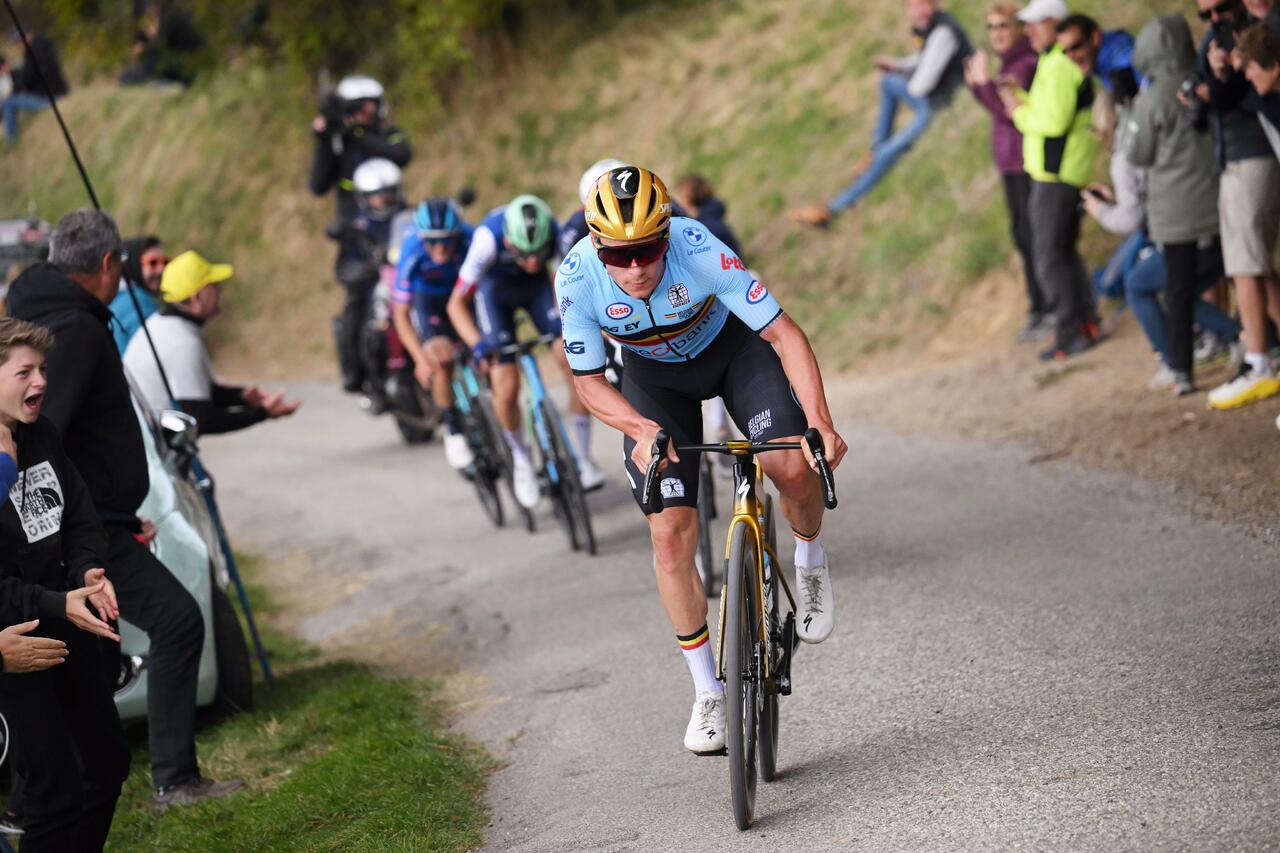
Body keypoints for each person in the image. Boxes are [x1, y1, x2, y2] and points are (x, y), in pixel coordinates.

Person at [556, 165, 848, 753]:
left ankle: (810, 561)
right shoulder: (577, 277)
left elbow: (785, 335)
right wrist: (639, 429)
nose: (635, 267)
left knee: (791, 465)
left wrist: (820, 420)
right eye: (620, 254)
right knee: (669, 536)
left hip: (732, 354)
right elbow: (588, 383)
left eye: (647, 249)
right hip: (653, 385)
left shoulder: (696, 246)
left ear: (666, 234)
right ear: (595, 245)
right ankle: (708, 692)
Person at [5, 210, 244, 811]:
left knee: (93, 661)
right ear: (109, 265)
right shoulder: (79, 332)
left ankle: (96, 783)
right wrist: (87, 522)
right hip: (79, 535)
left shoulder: (45, 315)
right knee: (177, 622)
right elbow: (43, 432)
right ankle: (174, 779)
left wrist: (106, 510)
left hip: (90, 523)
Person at [0, 316, 131, 853]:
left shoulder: (43, 434)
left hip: (68, 616)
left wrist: (87, 570)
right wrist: (56, 601)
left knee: (108, 764)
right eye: (24, 371)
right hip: (16, 641)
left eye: (44, 370)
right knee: (52, 794)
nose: (41, 383)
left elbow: (77, 515)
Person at [447, 194, 606, 505]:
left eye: (539, 254)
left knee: (574, 358)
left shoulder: (556, 234)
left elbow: (572, 285)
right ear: (508, 242)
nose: (533, 261)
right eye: (524, 254)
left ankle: (583, 457)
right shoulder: (486, 240)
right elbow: (456, 304)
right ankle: (521, 458)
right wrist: (478, 345)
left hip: (537, 292)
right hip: (496, 296)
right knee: (505, 384)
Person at [1121, 15, 1238, 395]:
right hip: (1217, 195)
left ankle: (1182, 372)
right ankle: (1259, 339)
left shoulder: (1150, 99)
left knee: (1178, 290)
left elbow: (1138, 155)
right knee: (1241, 274)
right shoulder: (1203, 80)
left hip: (1175, 213)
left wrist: (1127, 120)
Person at [791, 0, 973, 226]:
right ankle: (874, 150)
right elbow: (921, 60)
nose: (917, 11)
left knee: (889, 152)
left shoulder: (944, 31)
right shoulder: (932, 27)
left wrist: (905, 76)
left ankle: (832, 209)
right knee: (888, 82)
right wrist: (897, 67)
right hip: (932, 97)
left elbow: (921, 85)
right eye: (912, 6)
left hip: (942, 106)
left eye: (921, 4)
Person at [1195, 0, 1280, 410]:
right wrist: (1212, 79)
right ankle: (1263, 358)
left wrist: (1224, 78)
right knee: (1253, 267)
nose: (1213, 19)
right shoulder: (1218, 38)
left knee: (1247, 267)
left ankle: (1259, 362)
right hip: (1232, 155)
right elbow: (1213, 104)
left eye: (1219, 9)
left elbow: (1245, 97)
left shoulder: (1262, 29)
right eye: (1204, 14)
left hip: (1254, 155)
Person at [1003, 11, 1102, 360]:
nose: (1028, 29)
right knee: (1062, 252)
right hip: (1057, 171)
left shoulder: (1059, 64)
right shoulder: (1051, 60)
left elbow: (1055, 122)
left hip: (1058, 172)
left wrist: (1018, 111)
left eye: (1036, 22)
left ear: (1054, 23)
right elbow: (1049, 111)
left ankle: (1071, 331)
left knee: (1048, 257)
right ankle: (1084, 323)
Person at [308, 76, 412, 392]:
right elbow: (317, 184)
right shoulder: (338, 141)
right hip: (355, 230)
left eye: (373, 104)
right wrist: (326, 141)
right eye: (363, 106)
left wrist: (355, 135)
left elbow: (401, 155)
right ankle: (354, 370)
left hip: (394, 221)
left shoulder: (386, 135)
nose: (371, 110)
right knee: (357, 295)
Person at [124, 250, 300, 431]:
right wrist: (263, 412)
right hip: (153, 450)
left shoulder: (165, 325)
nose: (220, 290)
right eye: (213, 285)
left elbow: (198, 393)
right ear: (196, 298)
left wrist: (242, 397)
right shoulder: (181, 342)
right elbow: (202, 419)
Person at [965, 2, 1045, 342]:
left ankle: (1048, 309)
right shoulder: (1011, 64)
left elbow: (1007, 111)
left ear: (1019, 28)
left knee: (1035, 239)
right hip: (1011, 165)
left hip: (1026, 164)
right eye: (991, 27)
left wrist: (982, 85)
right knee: (1023, 238)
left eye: (1003, 25)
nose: (997, 33)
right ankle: (1040, 308)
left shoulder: (1024, 64)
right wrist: (979, 85)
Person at [391, 198, 475, 469]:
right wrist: (419, 358)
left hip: (462, 296)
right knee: (441, 359)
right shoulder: (412, 250)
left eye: (446, 241)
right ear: (421, 238)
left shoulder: (470, 238)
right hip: (428, 301)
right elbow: (401, 314)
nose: (439, 249)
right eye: (432, 242)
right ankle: (453, 429)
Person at [3, 29, 68, 146]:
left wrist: (12, 91)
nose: (18, 46)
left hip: (49, 99)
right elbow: (31, 74)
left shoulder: (31, 52)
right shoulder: (45, 44)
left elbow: (26, 79)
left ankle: (10, 142)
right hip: (62, 92)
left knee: (8, 102)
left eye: (18, 42)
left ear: (25, 37)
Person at [108, 235, 167, 353]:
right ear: (134, 263)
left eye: (165, 262)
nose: (162, 269)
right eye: (153, 263)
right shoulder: (137, 303)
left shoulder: (116, 299)